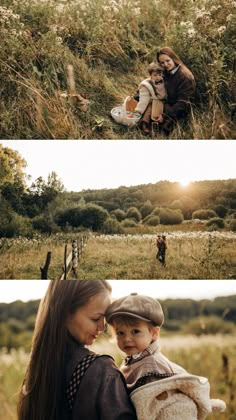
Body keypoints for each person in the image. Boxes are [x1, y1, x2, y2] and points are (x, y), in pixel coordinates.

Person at [17, 280, 137, 420]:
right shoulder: (101, 370)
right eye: (96, 318)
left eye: (105, 319)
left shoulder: (36, 371)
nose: (102, 327)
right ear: (66, 313)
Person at [105, 293, 226, 420]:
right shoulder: (134, 359)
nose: (127, 339)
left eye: (135, 331)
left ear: (154, 333)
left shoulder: (153, 367)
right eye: (120, 333)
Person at [156, 47, 196, 135]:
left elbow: (183, 103)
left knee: (163, 129)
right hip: (169, 104)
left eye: (168, 60)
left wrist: (165, 115)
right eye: (162, 62)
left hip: (180, 110)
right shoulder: (168, 72)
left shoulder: (184, 76)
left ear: (173, 58)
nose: (165, 64)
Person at [135, 62, 167, 134]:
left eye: (159, 75)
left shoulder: (165, 81)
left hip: (163, 101)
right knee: (149, 110)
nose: (158, 77)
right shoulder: (148, 84)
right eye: (155, 75)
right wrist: (139, 110)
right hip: (153, 101)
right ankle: (144, 123)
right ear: (150, 75)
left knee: (164, 111)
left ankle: (160, 126)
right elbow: (144, 99)